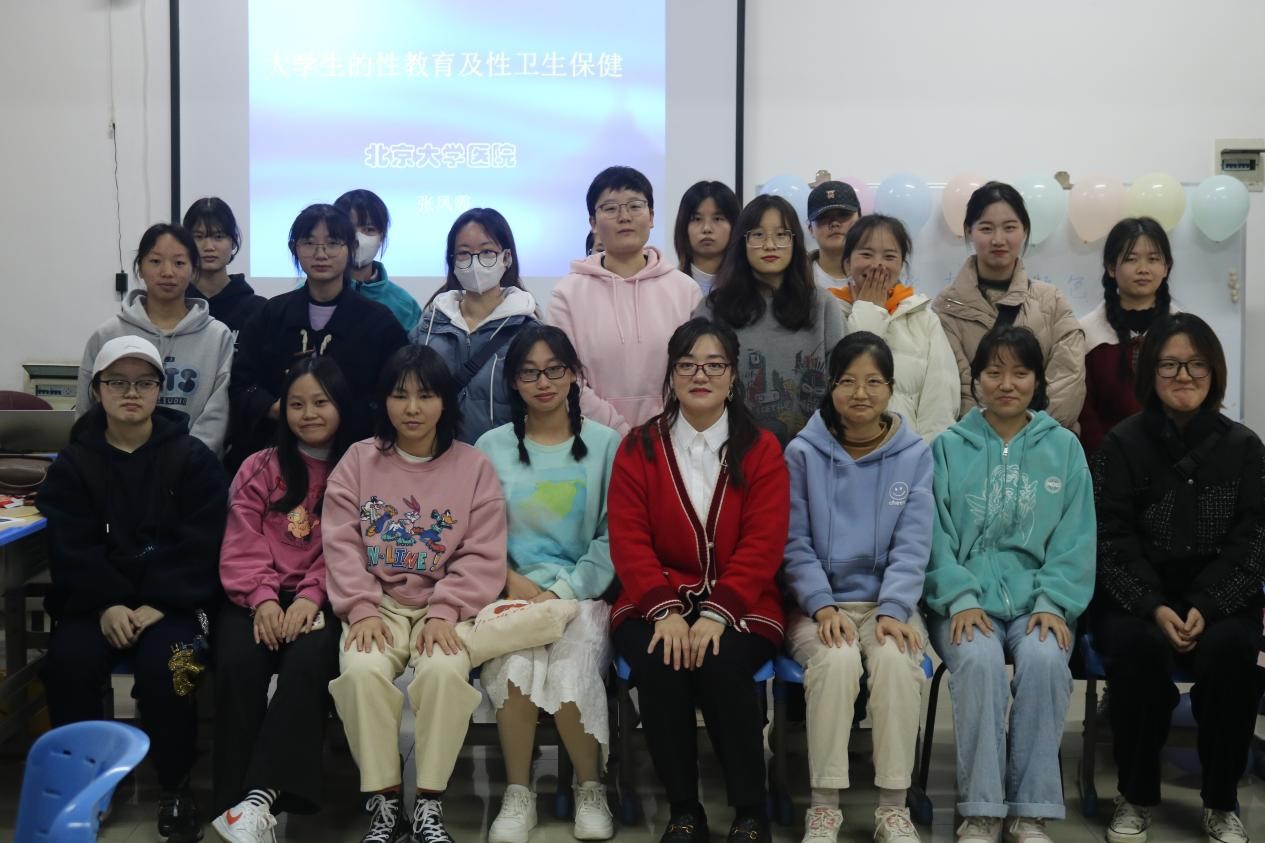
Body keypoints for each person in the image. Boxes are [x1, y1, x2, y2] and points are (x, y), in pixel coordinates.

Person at [609, 317, 790, 843]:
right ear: (671, 375)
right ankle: (684, 810)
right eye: (687, 365)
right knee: (661, 660)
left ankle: (749, 810)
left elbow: (764, 543)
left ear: (733, 376)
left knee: (721, 659)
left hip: (743, 601)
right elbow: (628, 539)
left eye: (714, 365)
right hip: (653, 597)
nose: (700, 375)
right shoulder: (639, 446)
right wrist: (664, 611)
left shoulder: (761, 448)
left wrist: (718, 613)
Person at [40, 335, 227, 843]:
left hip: (176, 604)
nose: (130, 392)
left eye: (144, 383)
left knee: (173, 668)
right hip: (93, 604)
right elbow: (70, 546)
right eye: (117, 382)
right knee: (68, 665)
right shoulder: (73, 464)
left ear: (160, 390)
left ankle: (175, 784)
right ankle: (85, 786)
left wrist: (158, 602)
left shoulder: (192, 459)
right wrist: (107, 604)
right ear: (97, 389)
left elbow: (203, 542)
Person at [323, 344, 507, 843]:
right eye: (399, 395)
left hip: (445, 607)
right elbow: (340, 542)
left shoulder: (473, 466)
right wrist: (360, 607)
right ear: (383, 401)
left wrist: (445, 610)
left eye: (425, 396)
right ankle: (385, 803)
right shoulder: (358, 460)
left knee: (445, 675)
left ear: (444, 401)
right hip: (375, 604)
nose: (411, 408)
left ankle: (428, 803)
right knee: (360, 673)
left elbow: (483, 552)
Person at [1092, 313, 1264, 843]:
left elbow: (1253, 542)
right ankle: (1135, 795)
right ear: (1150, 373)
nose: (1183, 375)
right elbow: (1109, 540)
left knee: (1233, 655)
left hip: (1220, 600)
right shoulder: (1121, 444)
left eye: (1196, 364)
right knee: (1137, 653)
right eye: (1169, 364)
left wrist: (1206, 606)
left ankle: (1221, 801)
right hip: (1139, 600)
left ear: (1215, 372)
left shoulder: (1244, 447)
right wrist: (1153, 605)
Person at [922, 326, 1095, 843]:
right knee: (978, 662)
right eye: (993, 372)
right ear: (976, 379)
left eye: (1020, 372)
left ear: (1037, 380)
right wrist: (959, 598)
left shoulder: (1064, 448)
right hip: (963, 601)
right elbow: (932, 536)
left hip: (1039, 600)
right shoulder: (947, 447)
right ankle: (981, 809)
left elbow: (1076, 538)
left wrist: (1054, 602)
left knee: (1045, 660)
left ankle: (1030, 810)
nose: (1006, 384)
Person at [782, 332, 933, 843]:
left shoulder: (914, 455)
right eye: (848, 381)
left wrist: (894, 607)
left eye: (873, 382)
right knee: (837, 660)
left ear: (890, 388)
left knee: (896, 660)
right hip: (818, 605)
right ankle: (824, 806)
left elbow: (914, 543)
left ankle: (893, 806)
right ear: (831, 387)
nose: (860, 393)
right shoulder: (802, 454)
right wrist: (821, 605)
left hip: (888, 602)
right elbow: (794, 543)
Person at [475, 325, 622, 843]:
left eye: (554, 370)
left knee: (570, 666)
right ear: (513, 382)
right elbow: (477, 533)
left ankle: (590, 787)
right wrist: (510, 581)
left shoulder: (605, 445)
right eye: (529, 373)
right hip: (510, 593)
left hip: (581, 595)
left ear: (573, 374)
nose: (543, 382)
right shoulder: (490, 447)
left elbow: (614, 537)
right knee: (515, 669)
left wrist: (562, 592)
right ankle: (519, 794)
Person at [211, 356, 355, 841]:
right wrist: (264, 598)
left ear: (341, 405)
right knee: (237, 662)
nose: (308, 414)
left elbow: (348, 546)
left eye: (321, 402)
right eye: (297, 404)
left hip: (324, 598)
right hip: (255, 597)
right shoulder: (258, 466)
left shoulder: (357, 468)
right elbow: (241, 539)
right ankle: (232, 799)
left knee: (307, 664)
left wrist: (311, 597)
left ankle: (261, 798)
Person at [229, 204, 407, 469]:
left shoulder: (379, 322)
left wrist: (337, 416)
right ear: (295, 248)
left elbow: (391, 392)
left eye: (333, 243)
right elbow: (242, 383)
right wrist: (278, 409)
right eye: (309, 243)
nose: (321, 254)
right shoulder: (269, 315)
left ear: (351, 248)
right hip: (277, 457)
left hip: (356, 459)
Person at [548, 165, 703, 435]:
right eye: (610, 208)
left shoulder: (685, 289)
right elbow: (566, 376)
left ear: (651, 216)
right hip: (594, 438)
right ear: (593, 223)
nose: (624, 217)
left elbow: (697, 369)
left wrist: (661, 426)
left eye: (635, 206)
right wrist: (615, 431)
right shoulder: (567, 294)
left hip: (673, 434)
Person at [933, 181, 1085, 429]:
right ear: (969, 231)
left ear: (1024, 230)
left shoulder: (1052, 301)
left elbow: (1069, 379)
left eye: (1009, 227)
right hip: (975, 443)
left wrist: (1032, 432)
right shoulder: (945, 308)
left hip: (1045, 441)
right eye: (986, 228)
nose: (998, 239)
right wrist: (993, 434)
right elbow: (956, 387)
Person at [696, 194, 845, 445]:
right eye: (757, 235)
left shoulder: (822, 305)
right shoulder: (713, 308)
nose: (770, 245)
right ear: (742, 242)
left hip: (810, 451)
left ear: (795, 242)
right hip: (732, 451)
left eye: (781, 235)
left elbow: (842, 381)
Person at [77, 223, 234, 457]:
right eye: (155, 261)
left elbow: (217, 415)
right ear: (139, 267)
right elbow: (87, 409)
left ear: (194, 270)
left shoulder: (217, 336)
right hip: (115, 465)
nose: (167, 272)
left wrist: (188, 462)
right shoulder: (108, 334)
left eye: (179, 263)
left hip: (191, 467)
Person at [413, 208, 540, 444]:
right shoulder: (429, 324)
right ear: (452, 261)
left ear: (506, 257)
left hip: (504, 457)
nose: (475, 262)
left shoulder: (528, 330)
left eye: (487, 251)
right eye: (464, 253)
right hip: (436, 455)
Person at [827, 214, 958, 441]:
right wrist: (868, 310)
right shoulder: (829, 312)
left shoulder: (923, 318)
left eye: (889, 256)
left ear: (901, 265)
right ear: (847, 263)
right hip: (847, 447)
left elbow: (941, 400)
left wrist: (925, 454)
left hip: (910, 451)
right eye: (866, 254)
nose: (878, 264)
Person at [1078, 217, 1178, 454]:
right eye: (1131, 259)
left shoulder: (1185, 332)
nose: (1143, 269)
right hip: (1106, 460)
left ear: (1166, 267)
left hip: (1174, 460)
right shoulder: (1085, 333)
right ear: (1111, 267)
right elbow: (1083, 412)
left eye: (1153, 259)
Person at [335, 188, 423, 331]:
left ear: (382, 237)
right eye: (349, 229)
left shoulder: (405, 306)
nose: (358, 239)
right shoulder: (309, 293)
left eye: (369, 229)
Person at [183, 197, 266, 339]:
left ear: (233, 241)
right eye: (199, 237)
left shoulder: (258, 309)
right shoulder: (176, 303)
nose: (209, 247)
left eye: (218, 236)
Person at [674, 180, 739, 295]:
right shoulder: (670, 285)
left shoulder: (749, 286)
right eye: (697, 219)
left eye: (717, 219)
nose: (706, 228)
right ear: (683, 226)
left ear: (734, 225)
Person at [805, 181, 861, 287]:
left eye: (843, 214)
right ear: (810, 229)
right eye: (823, 217)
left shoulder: (880, 273)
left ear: (860, 220)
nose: (834, 223)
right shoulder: (796, 279)